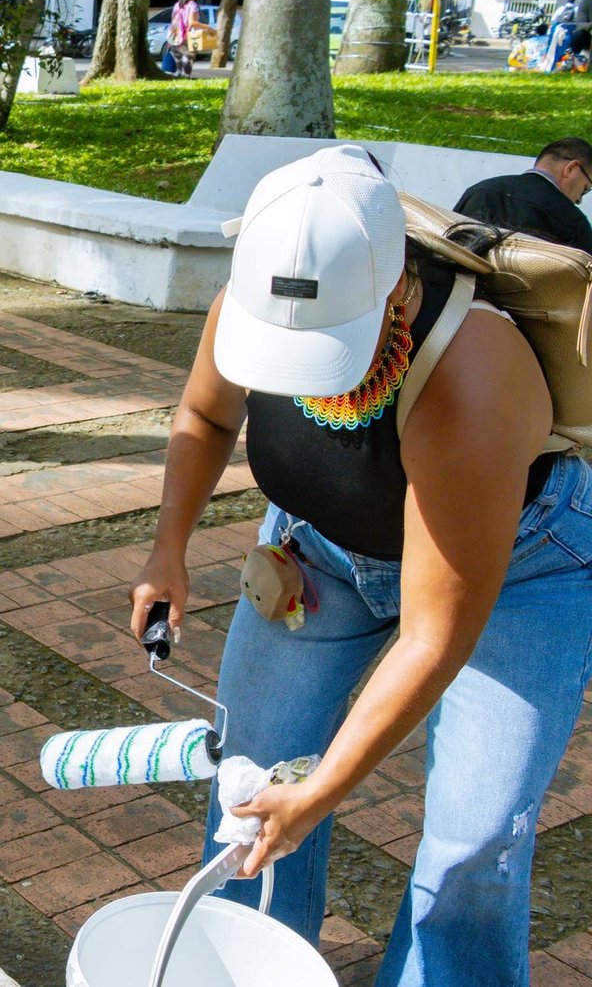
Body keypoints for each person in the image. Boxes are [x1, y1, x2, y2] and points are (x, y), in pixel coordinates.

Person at [130, 144, 592, 985]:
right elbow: (205, 415)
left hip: (522, 569)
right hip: (321, 553)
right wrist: (169, 550)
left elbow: (433, 635)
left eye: (324, 344)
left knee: (473, 840)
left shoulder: (472, 373)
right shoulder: (253, 295)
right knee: (251, 794)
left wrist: (326, 788)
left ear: (396, 288)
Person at [454, 136, 592, 255]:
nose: (579, 200)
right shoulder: (572, 220)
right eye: (585, 188)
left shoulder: (480, 190)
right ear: (571, 168)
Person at [168, 0, 216, 78]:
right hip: (186, 37)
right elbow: (192, 23)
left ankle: (179, 77)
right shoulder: (192, 5)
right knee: (187, 60)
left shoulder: (177, 5)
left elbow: (173, 21)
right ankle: (186, 78)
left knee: (179, 62)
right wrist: (208, 27)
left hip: (174, 37)